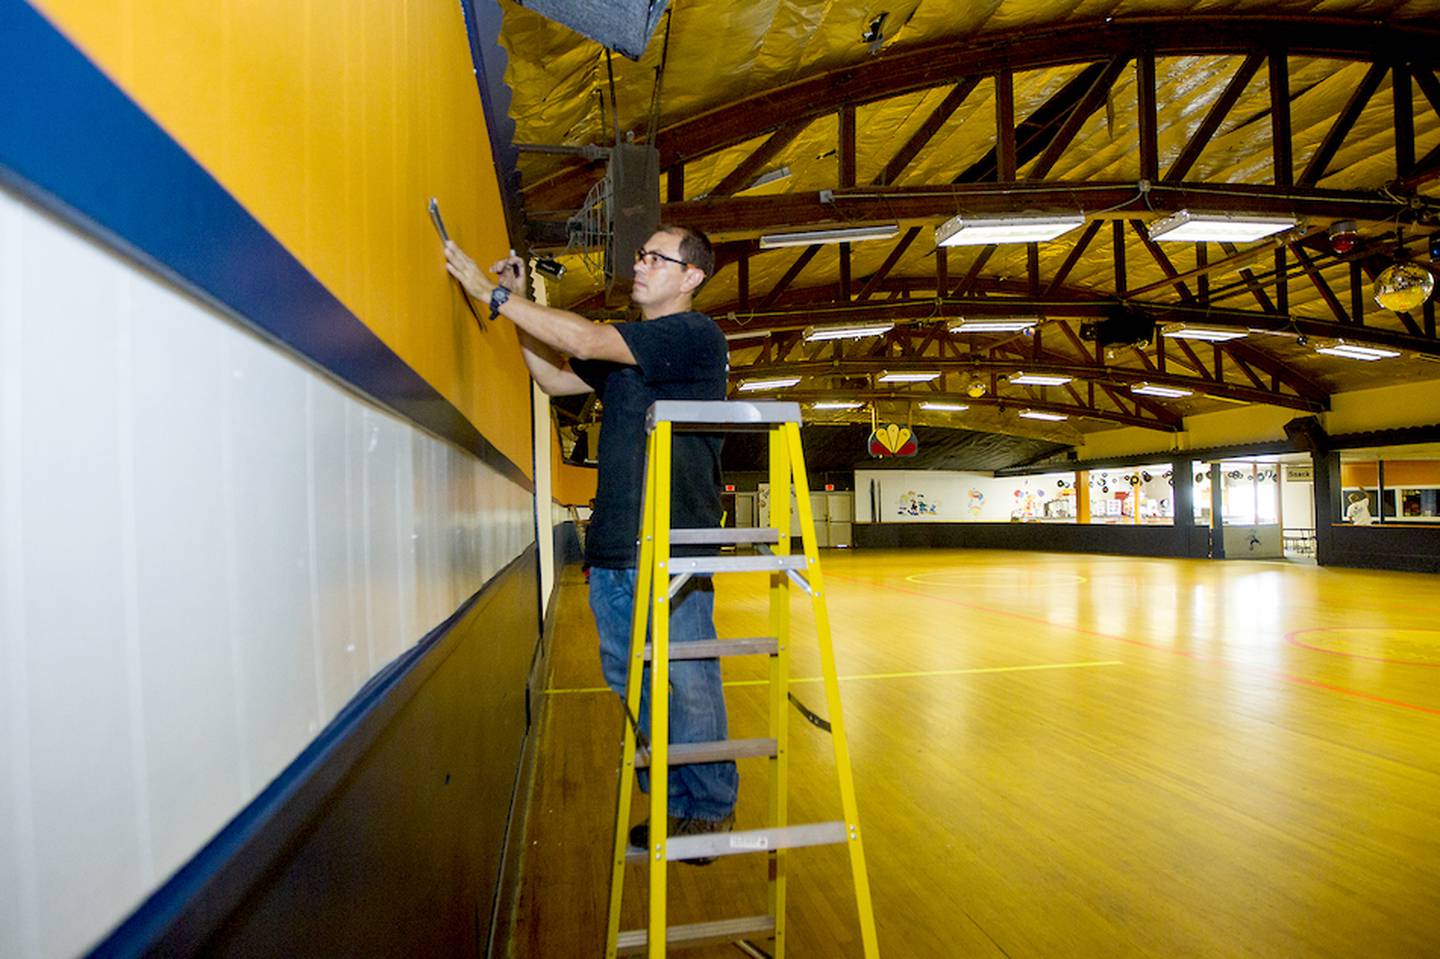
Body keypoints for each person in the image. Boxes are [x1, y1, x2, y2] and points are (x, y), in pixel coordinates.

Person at [444, 225, 737, 858]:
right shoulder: (632, 360)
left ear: (690, 277)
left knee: (685, 678)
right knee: (630, 678)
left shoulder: (693, 337)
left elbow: (586, 337)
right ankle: (678, 796)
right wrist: (519, 308)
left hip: (669, 540)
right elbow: (554, 378)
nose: (641, 264)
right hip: (615, 547)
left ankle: (707, 808)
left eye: (656, 257)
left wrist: (488, 295)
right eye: (641, 254)